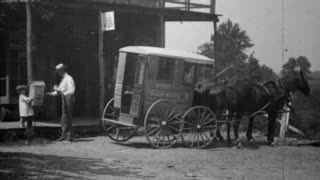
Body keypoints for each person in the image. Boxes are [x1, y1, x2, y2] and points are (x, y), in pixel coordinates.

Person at [48, 63, 75, 143]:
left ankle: (69, 137)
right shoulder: (63, 79)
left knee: (68, 117)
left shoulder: (69, 78)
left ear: (62, 70)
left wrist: (63, 93)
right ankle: (64, 135)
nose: (58, 73)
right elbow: (60, 90)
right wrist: (53, 93)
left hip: (69, 97)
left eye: (59, 71)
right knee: (64, 117)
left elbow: (71, 90)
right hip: (64, 97)